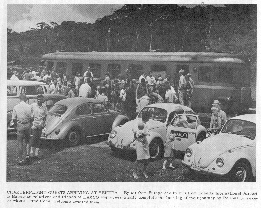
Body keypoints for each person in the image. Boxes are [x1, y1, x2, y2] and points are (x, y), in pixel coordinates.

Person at [11, 94, 32, 165]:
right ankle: (27, 155)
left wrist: (16, 126)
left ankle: (20, 159)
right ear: (26, 99)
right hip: (27, 124)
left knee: (20, 142)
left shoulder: (16, 107)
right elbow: (32, 117)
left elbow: (14, 119)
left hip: (20, 125)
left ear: (19, 99)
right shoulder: (29, 106)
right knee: (28, 141)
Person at [132, 111, 151, 179]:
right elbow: (134, 132)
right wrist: (138, 135)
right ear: (145, 117)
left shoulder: (147, 124)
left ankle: (144, 171)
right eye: (148, 117)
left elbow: (148, 132)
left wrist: (145, 134)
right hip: (139, 142)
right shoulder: (138, 123)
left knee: (147, 158)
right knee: (139, 159)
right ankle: (134, 172)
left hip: (144, 141)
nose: (149, 118)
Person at [30, 94, 48, 159]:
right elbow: (30, 115)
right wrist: (32, 123)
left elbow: (45, 116)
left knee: (38, 139)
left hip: (40, 125)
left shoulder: (44, 107)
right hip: (34, 124)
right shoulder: (33, 106)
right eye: (38, 99)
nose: (39, 100)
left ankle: (36, 153)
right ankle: (31, 152)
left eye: (40, 99)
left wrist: (43, 124)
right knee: (34, 138)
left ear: (43, 100)